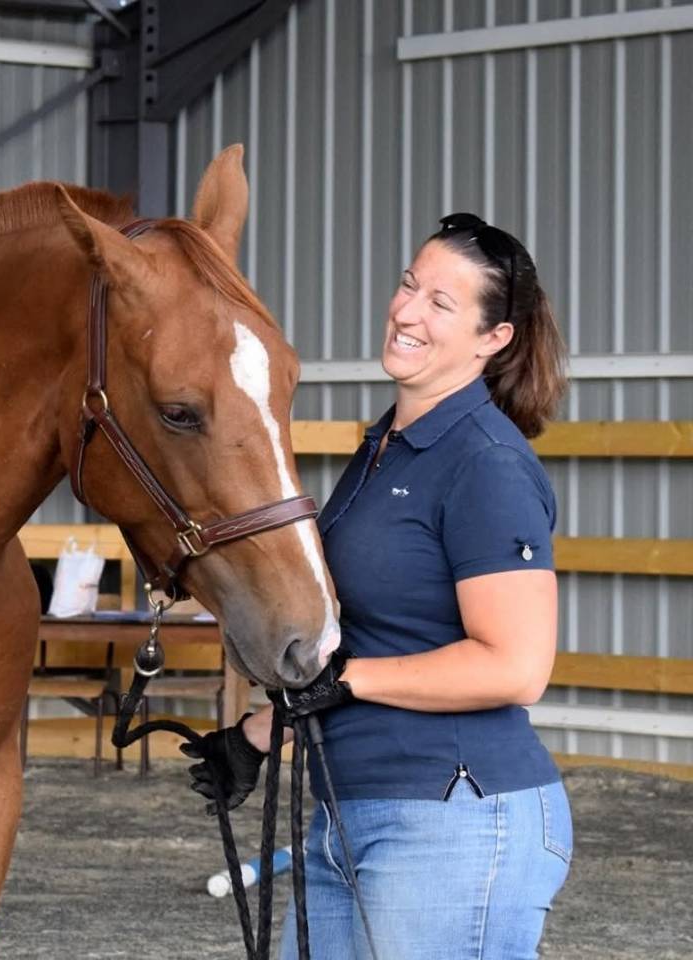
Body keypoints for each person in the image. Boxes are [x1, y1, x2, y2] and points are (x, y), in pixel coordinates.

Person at [182, 212, 572, 959]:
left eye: (441, 303)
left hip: (452, 816)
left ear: (494, 339)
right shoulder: (384, 448)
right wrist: (259, 735)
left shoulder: (484, 462)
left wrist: (347, 682)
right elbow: (366, 634)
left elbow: (516, 666)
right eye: (408, 285)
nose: (407, 311)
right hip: (345, 813)